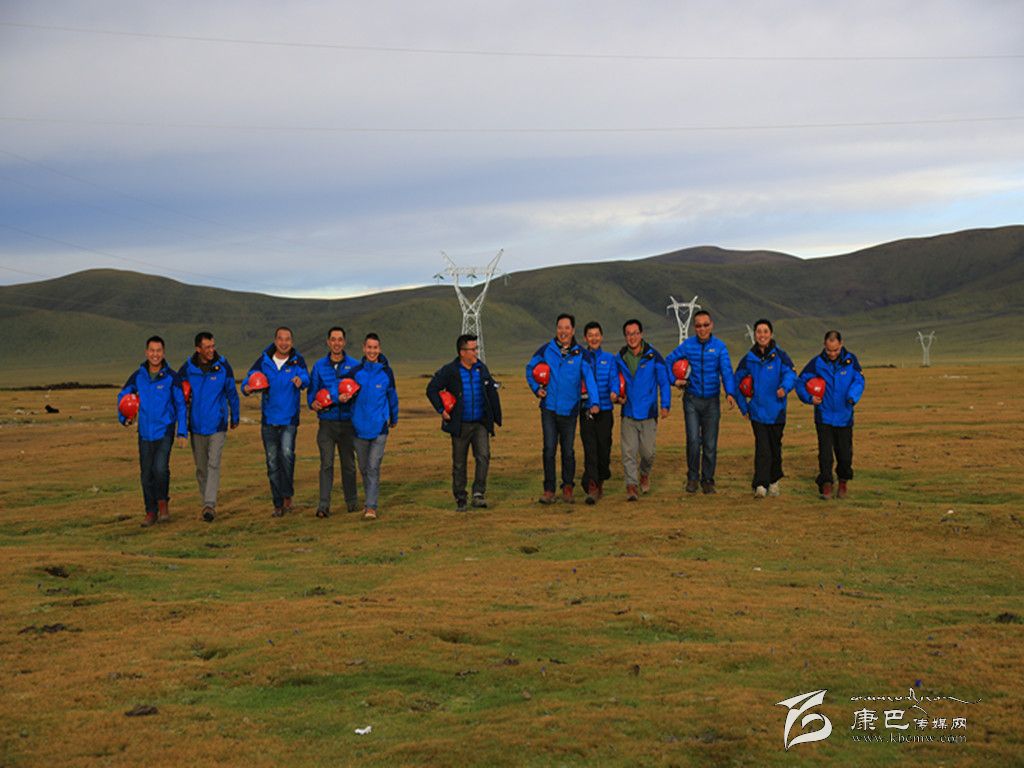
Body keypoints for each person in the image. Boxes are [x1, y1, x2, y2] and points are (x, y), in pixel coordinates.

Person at [525, 314, 598, 504]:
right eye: (560, 327)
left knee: (568, 451)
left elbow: (589, 379)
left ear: (573, 330)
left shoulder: (581, 353)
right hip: (549, 408)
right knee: (549, 449)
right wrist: (536, 388)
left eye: (567, 328)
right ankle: (549, 489)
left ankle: (567, 487)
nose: (563, 331)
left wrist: (594, 402)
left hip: (570, 409)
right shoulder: (545, 350)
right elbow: (529, 369)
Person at [426, 334, 503, 511]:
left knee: (483, 457)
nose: (476, 352)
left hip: (480, 423)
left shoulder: (481, 369)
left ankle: (478, 494)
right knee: (459, 463)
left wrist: (496, 417)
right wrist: (441, 409)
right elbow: (431, 389)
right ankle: (461, 498)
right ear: (462, 352)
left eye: (476, 348)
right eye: (473, 349)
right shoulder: (450, 371)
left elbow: (491, 391)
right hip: (460, 424)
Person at [117, 336, 187, 526]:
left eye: (158, 351)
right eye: (152, 350)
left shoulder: (172, 377)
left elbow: (181, 405)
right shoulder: (137, 376)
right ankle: (150, 511)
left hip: (164, 430)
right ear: (146, 352)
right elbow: (123, 396)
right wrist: (124, 418)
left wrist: (182, 431)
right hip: (144, 432)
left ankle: (163, 504)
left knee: (160, 469)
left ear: (163, 353)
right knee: (146, 474)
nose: (155, 354)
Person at [665, 310, 738, 494]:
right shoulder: (687, 345)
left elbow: (726, 371)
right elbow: (667, 361)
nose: (702, 329)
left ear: (711, 325)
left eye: (705, 325)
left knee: (710, 444)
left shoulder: (720, 347)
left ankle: (708, 480)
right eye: (698, 326)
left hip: (712, 401)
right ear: (694, 327)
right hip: (692, 399)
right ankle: (692, 478)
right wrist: (674, 381)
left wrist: (730, 392)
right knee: (693, 441)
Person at [244, 327, 309, 517]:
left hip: (289, 419)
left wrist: (301, 381)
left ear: (292, 342)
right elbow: (248, 380)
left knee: (287, 456)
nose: (284, 343)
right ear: (275, 341)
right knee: (272, 462)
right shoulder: (264, 361)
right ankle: (277, 503)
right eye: (280, 339)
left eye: (287, 339)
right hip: (269, 420)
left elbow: (306, 377)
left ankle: (287, 495)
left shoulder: (297, 360)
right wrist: (247, 388)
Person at [178, 332, 240, 522]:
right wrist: (182, 429)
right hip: (196, 425)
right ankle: (205, 501)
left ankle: (209, 505)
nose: (212, 350)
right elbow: (179, 398)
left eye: (213, 346)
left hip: (217, 424)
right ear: (198, 349)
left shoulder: (223, 366)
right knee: (201, 468)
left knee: (214, 463)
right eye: (207, 347)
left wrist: (235, 416)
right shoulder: (187, 369)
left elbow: (232, 392)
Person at [797, 330, 865, 500]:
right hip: (824, 416)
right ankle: (826, 484)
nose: (832, 354)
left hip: (844, 416)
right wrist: (809, 398)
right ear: (824, 346)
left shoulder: (851, 361)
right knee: (825, 454)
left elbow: (859, 381)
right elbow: (800, 382)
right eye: (829, 350)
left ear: (841, 344)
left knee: (845, 455)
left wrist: (852, 397)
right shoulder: (817, 363)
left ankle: (843, 482)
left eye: (835, 350)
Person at [734, 319, 797, 498]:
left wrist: (784, 388)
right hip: (757, 411)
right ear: (754, 335)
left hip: (777, 411)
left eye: (765, 331)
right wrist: (744, 407)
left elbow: (790, 374)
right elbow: (736, 382)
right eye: (759, 332)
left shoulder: (781, 356)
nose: (762, 335)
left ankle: (774, 481)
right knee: (762, 448)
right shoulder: (748, 359)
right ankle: (760, 484)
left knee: (775, 448)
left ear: (771, 334)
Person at [308, 326, 361, 517]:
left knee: (348, 465)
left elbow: (360, 392)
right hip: (327, 423)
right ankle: (323, 506)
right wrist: (313, 403)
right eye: (333, 339)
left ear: (344, 342)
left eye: (340, 339)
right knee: (326, 464)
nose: (336, 343)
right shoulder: (319, 366)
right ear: (328, 342)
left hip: (348, 423)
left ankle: (352, 502)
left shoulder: (354, 365)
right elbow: (312, 393)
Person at [615, 319, 671, 501]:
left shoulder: (653, 355)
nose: (632, 337)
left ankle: (644, 473)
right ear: (625, 337)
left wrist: (665, 405)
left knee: (648, 453)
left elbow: (664, 381)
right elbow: (614, 379)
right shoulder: (620, 357)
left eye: (635, 333)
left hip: (648, 412)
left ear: (641, 334)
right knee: (628, 452)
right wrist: (616, 395)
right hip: (628, 411)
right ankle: (631, 486)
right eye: (628, 334)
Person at [347, 333, 399, 520]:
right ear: (364, 348)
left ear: (380, 349)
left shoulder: (387, 373)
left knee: (373, 466)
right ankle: (369, 498)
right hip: (359, 428)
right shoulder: (355, 372)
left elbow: (392, 396)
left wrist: (393, 417)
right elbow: (343, 391)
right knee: (364, 467)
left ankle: (371, 507)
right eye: (369, 347)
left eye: (375, 347)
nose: (372, 351)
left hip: (380, 428)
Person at [579, 321, 621, 504]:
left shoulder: (609, 359)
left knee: (604, 449)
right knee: (590, 449)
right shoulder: (581, 358)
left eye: (597, 335)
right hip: (587, 409)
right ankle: (592, 487)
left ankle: (599, 479)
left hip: (605, 410)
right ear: (585, 338)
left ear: (601, 337)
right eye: (590, 335)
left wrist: (614, 392)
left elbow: (614, 379)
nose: (594, 338)